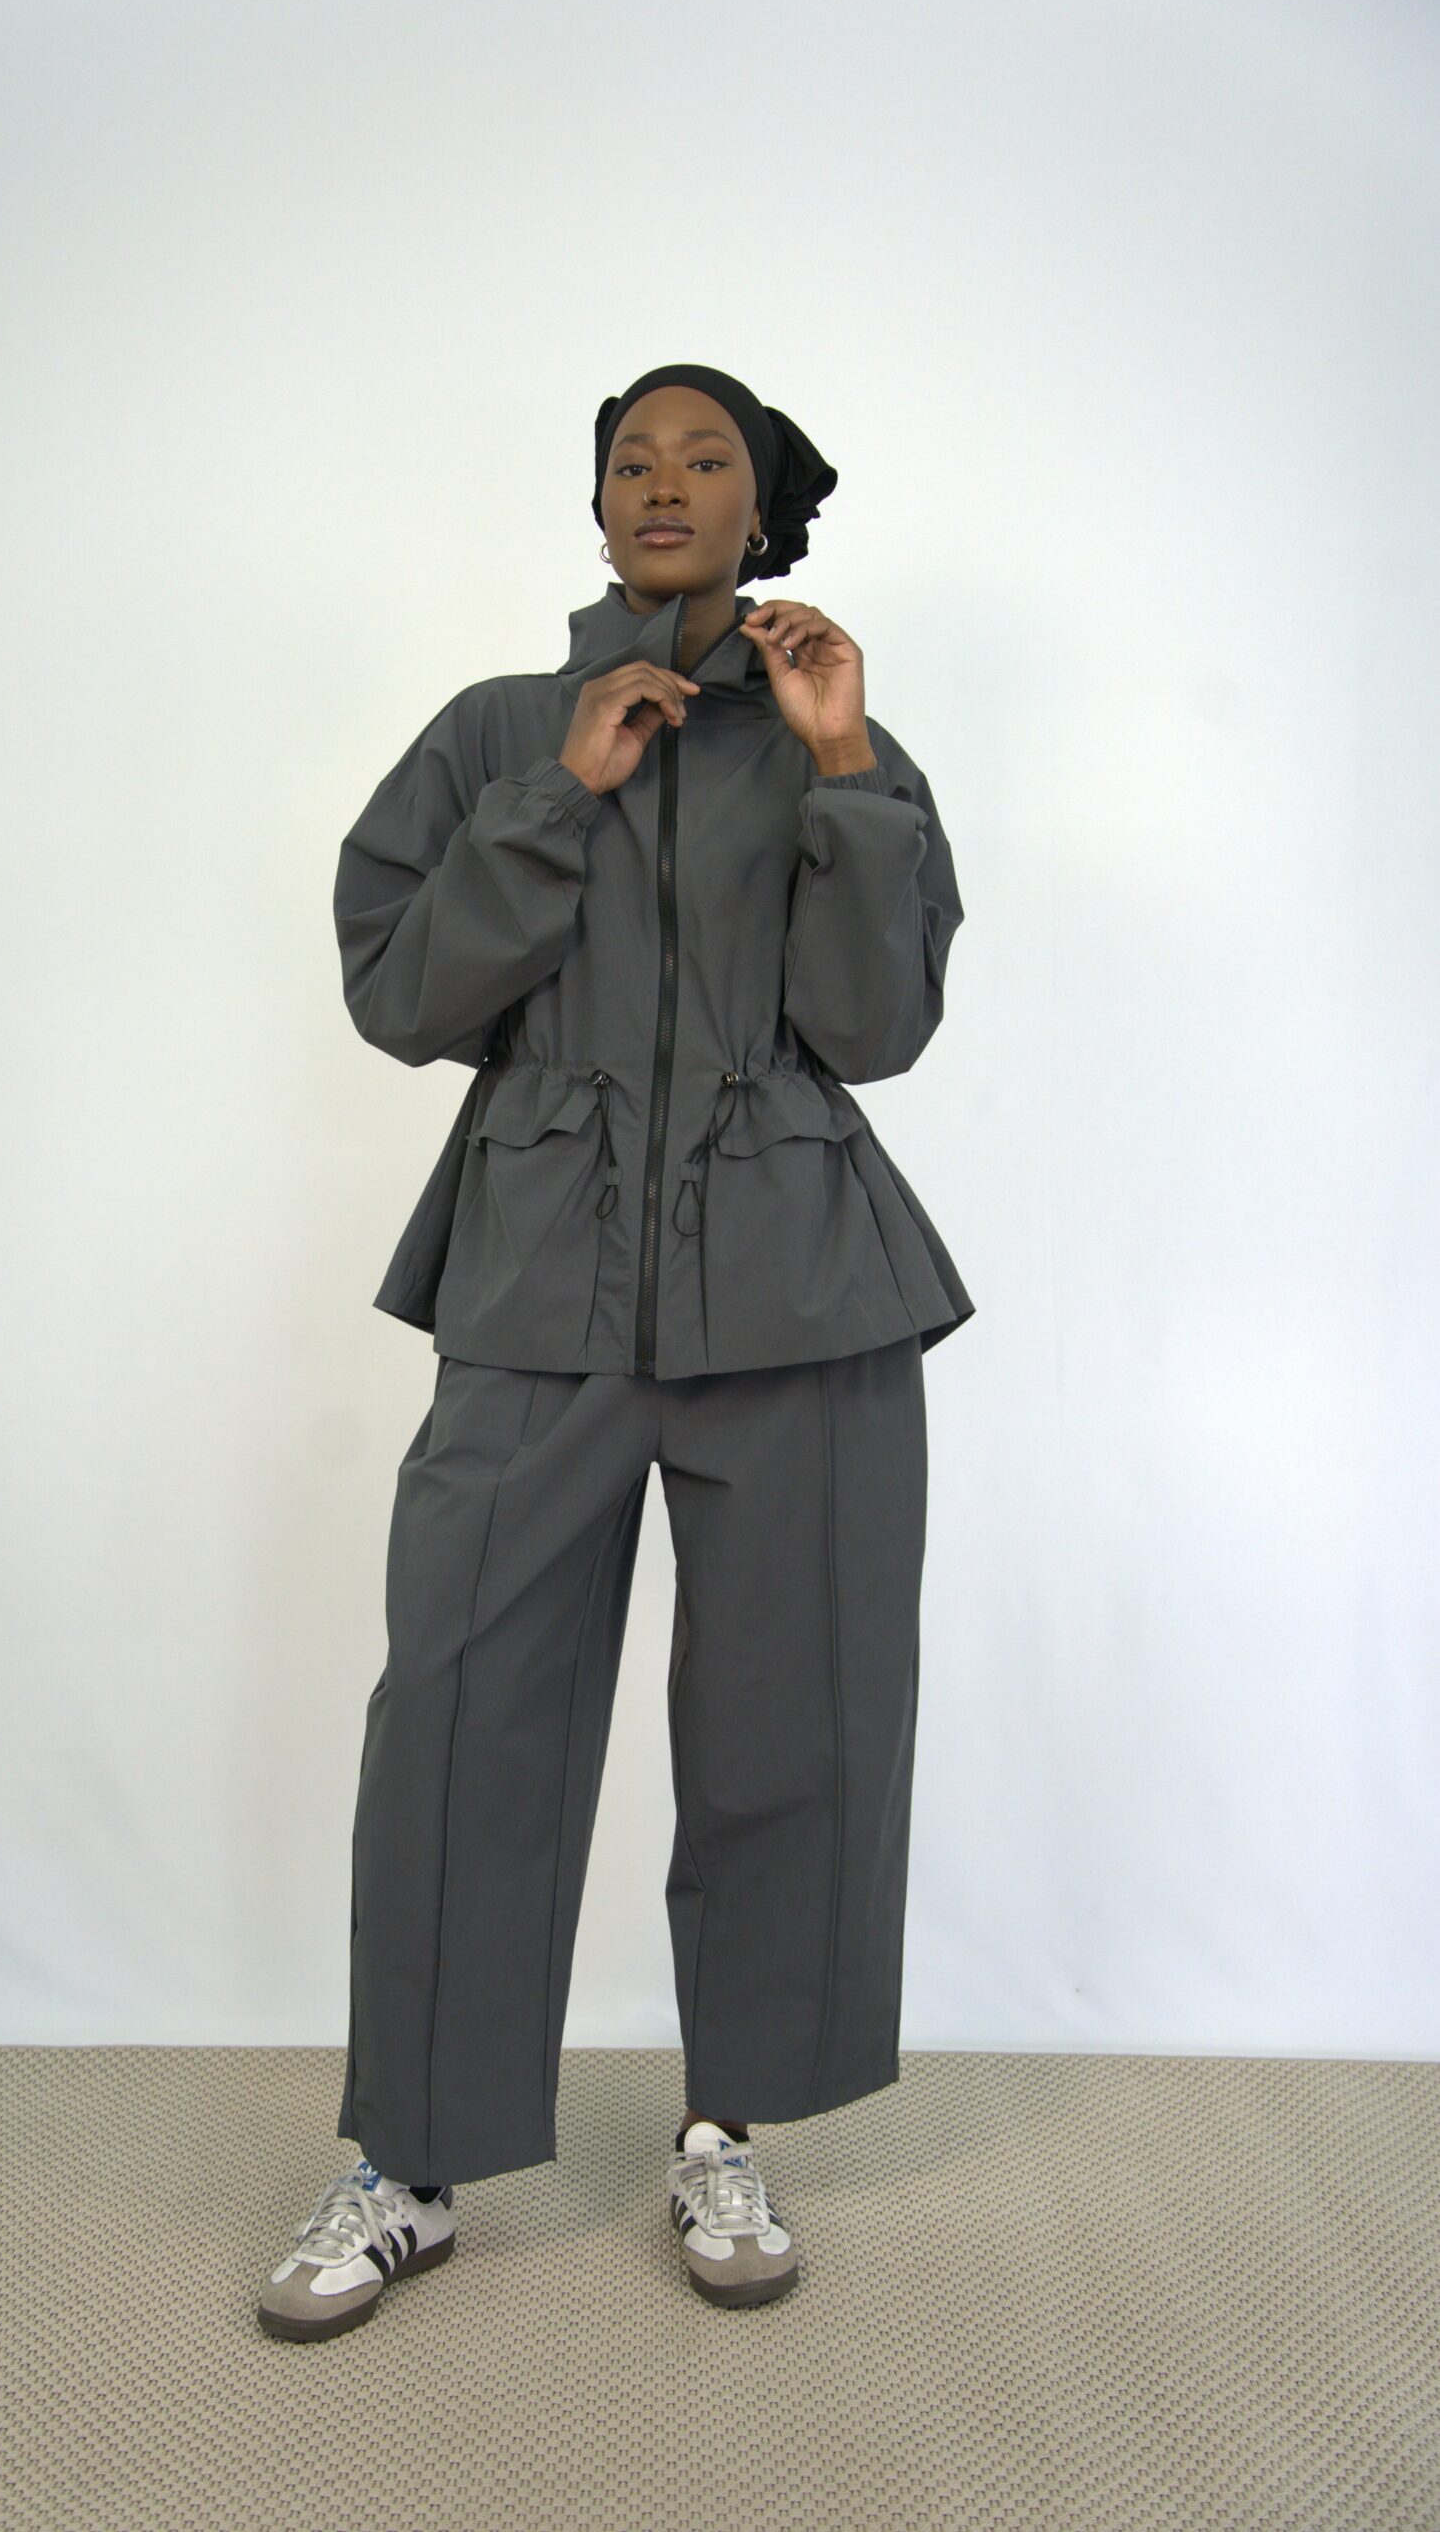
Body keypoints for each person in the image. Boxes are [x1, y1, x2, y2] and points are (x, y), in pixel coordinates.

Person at [258, 363, 973, 2342]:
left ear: (763, 511)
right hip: (534, 1290)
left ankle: (726, 2126)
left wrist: (840, 767)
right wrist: (560, 789)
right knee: (459, 1714)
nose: (663, 483)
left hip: (800, 1286)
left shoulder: (842, 739)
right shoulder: (496, 731)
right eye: (630, 461)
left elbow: (878, 1023)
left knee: (790, 1723)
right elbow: (405, 995)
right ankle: (409, 2160)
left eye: (704, 458)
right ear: (594, 512)